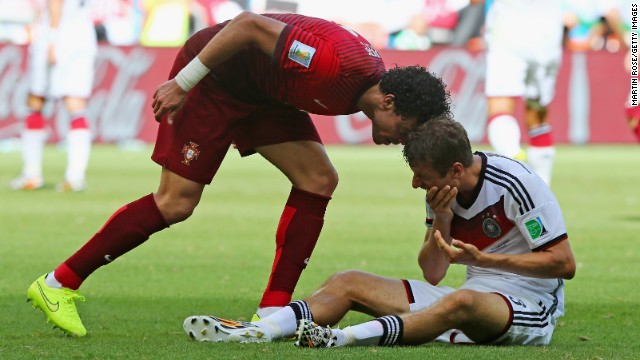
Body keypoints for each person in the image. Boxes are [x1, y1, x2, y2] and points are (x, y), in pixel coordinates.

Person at [26, 11, 452, 337]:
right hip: (214, 80)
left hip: (262, 93)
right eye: (407, 131)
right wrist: (184, 82)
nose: (402, 141)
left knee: (319, 179)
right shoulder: (329, 64)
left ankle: (271, 314)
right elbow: (248, 25)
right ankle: (56, 284)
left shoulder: (371, 86)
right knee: (176, 203)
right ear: (390, 102)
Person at [183, 117, 576, 348]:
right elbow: (434, 273)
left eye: (421, 176)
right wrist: (441, 219)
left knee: (463, 303)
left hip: (528, 306)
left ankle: (343, 338)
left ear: (456, 169)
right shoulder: (441, 191)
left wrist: (485, 260)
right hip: (468, 292)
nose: (415, 185)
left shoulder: (516, 184)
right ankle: (259, 331)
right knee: (347, 281)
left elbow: (563, 263)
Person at [10, 0, 97, 192]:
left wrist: (52, 38)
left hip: (58, 35)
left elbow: (55, 3)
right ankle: (75, 177)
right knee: (76, 103)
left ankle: (31, 174)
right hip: (84, 35)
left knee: (36, 100)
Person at [479, 0, 564, 185]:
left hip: (509, 31)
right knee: (538, 112)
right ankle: (542, 191)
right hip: (548, 35)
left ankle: (514, 160)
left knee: (500, 108)